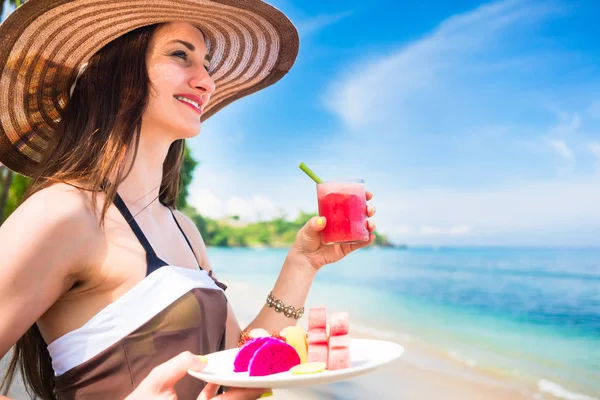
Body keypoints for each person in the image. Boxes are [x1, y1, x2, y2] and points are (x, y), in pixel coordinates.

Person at [0, 1, 376, 399]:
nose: (207, 83)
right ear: (116, 73)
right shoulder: (63, 213)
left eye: (208, 66)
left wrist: (303, 264)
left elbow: (239, 370)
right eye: (181, 55)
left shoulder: (184, 230)